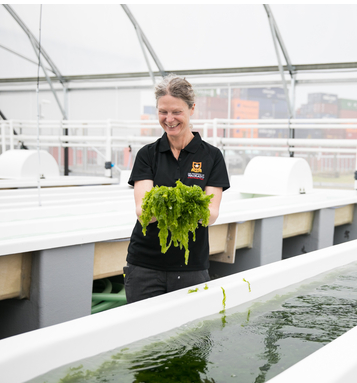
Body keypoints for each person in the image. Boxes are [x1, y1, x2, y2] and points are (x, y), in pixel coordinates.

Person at [124, 74, 230, 303]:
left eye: (176, 112)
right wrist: (181, 205)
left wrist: (170, 205)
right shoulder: (147, 155)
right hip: (144, 265)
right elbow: (144, 212)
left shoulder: (211, 156)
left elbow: (210, 215)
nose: (169, 119)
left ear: (192, 109)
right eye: (163, 111)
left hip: (191, 266)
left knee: (192, 336)